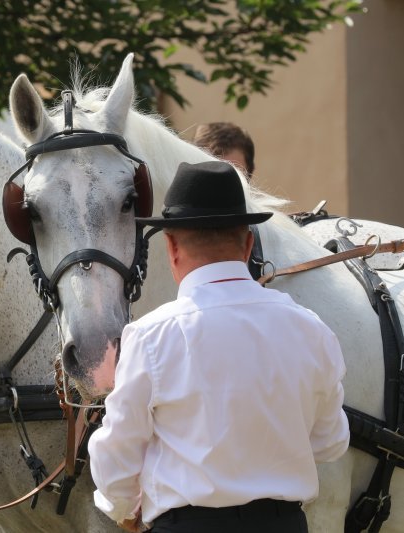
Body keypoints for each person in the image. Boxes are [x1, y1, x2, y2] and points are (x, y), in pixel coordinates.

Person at [88, 161, 350, 533]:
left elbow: (116, 457)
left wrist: (123, 510)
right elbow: (330, 443)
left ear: (172, 248)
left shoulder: (151, 336)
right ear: (247, 244)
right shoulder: (311, 328)